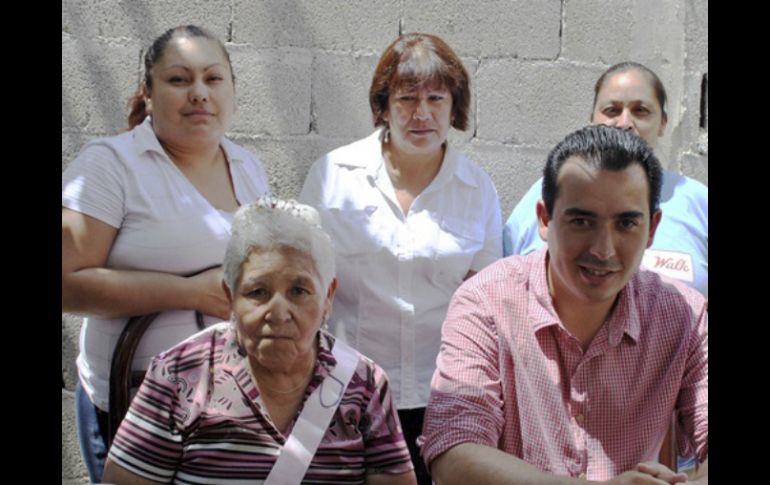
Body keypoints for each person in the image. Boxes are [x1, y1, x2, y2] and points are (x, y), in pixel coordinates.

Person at [422, 125, 708, 484]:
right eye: (581, 221)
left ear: (652, 229)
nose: (603, 249)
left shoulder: (684, 315)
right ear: (544, 219)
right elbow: (453, 454)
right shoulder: (486, 302)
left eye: (626, 224)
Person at [62, 25, 270, 482]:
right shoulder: (110, 165)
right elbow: (65, 284)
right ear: (149, 94)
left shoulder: (247, 166)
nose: (199, 93)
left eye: (213, 79)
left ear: (232, 90)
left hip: (226, 404)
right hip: (133, 406)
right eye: (179, 80)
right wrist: (189, 293)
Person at [299, 32, 502, 483]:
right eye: (406, 98)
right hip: (346, 391)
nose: (421, 113)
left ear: (455, 106)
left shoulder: (477, 189)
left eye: (436, 97)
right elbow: (304, 282)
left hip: (443, 396)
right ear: (383, 105)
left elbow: (485, 302)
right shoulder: (333, 176)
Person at [101, 198, 417, 484]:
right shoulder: (179, 374)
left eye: (299, 291)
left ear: (328, 297)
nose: (278, 313)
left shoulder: (365, 383)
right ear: (230, 297)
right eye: (258, 292)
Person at [503, 62, 708, 300]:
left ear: (663, 122)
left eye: (640, 110)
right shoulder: (548, 193)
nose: (624, 123)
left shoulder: (698, 203)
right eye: (612, 110)